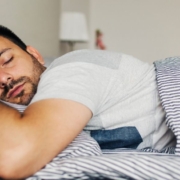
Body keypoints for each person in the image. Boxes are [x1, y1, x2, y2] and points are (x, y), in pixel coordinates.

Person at [0, 25, 175, 179]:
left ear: (35, 55)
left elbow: (17, 156)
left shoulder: (71, 69)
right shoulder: (35, 109)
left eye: (7, 60)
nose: (3, 78)